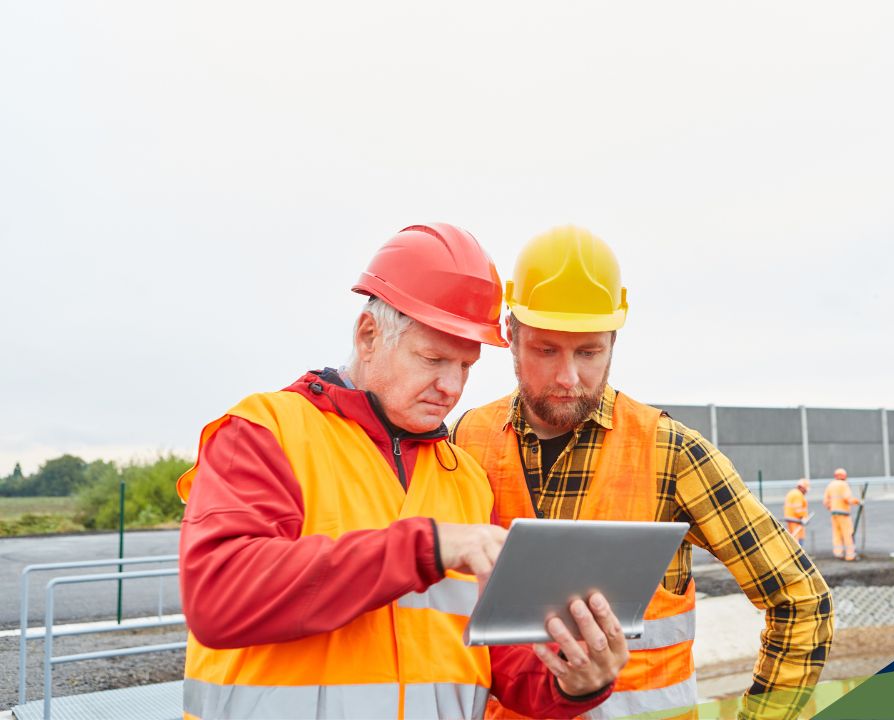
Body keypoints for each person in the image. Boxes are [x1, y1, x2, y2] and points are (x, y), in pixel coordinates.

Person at [176, 224, 629, 720]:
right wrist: (428, 547)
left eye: (466, 366)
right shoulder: (266, 433)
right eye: (433, 359)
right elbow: (219, 599)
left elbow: (499, 659)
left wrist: (573, 677)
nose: (451, 387)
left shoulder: (464, 480)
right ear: (368, 335)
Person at [453, 226, 833, 720]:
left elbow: (802, 601)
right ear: (511, 333)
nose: (568, 377)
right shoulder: (466, 439)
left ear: (614, 340)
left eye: (589, 352)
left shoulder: (671, 452)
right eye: (546, 350)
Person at [822, 468, 861, 561]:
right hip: (844, 514)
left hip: (834, 513)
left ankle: (838, 553)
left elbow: (825, 502)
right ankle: (850, 555)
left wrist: (831, 507)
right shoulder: (844, 485)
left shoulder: (830, 485)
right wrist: (857, 501)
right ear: (844, 476)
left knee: (837, 534)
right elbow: (847, 498)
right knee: (848, 534)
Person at [783, 479, 812, 547]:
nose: (806, 491)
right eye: (805, 489)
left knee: (794, 537)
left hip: (792, 519)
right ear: (801, 487)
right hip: (796, 520)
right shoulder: (797, 495)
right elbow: (798, 510)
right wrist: (804, 517)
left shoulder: (793, 493)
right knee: (797, 540)